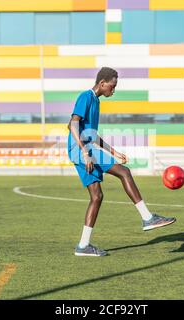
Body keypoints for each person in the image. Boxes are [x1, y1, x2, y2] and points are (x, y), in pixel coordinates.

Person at [67, 67, 176, 257]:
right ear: (102, 83)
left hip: (85, 149)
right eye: (112, 86)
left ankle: (83, 246)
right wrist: (84, 151)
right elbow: (72, 123)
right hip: (81, 150)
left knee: (97, 197)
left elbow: (92, 135)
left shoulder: (96, 102)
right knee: (124, 172)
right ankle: (148, 218)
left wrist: (114, 152)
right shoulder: (85, 96)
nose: (113, 90)